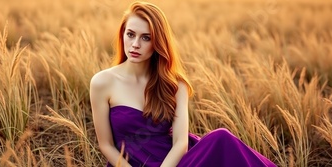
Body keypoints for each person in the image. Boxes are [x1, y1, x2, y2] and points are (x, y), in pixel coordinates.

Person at [89, 1, 277, 167]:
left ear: (158, 43)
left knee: (222, 137)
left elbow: (180, 144)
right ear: (123, 34)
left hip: (176, 163)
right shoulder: (102, 82)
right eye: (130, 34)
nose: (135, 44)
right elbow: (106, 145)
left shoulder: (175, 84)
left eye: (146, 38)